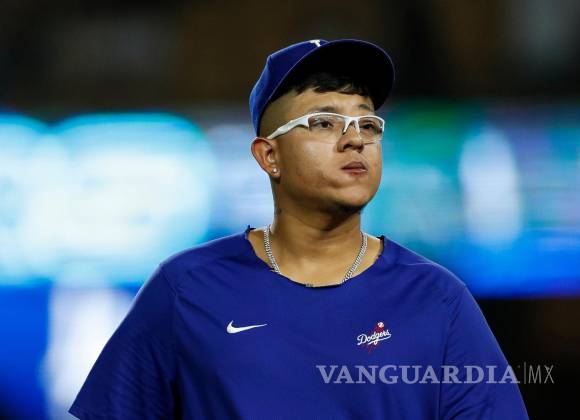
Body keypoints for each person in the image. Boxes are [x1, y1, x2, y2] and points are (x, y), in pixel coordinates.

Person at [69, 39, 529, 419]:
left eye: (368, 123)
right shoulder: (186, 288)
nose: (355, 138)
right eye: (324, 122)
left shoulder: (437, 298)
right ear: (269, 156)